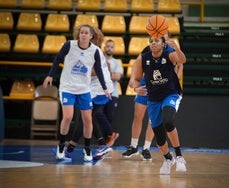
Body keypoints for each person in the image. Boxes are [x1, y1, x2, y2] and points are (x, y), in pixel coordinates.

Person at [43, 24, 110, 162]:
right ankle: (61, 146)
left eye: (86, 33)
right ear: (78, 34)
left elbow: (98, 70)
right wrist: (50, 75)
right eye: (81, 32)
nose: (83, 34)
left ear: (91, 36)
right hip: (67, 87)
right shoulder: (69, 45)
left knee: (88, 120)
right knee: (68, 117)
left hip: (84, 89)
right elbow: (57, 59)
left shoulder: (95, 51)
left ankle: (87, 149)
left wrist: (104, 88)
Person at [122, 32, 183, 161]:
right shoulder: (147, 50)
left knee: (154, 120)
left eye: (163, 35)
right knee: (138, 115)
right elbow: (134, 75)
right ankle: (133, 146)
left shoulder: (171, 50)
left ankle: (146, 148)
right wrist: (135, 86)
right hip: (147, 83)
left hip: (165, 88)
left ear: (166, 39)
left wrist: (175, 79)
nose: (155, 40)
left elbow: (180, 63)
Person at [66, 26, 115, 158]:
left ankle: (100, 145)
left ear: (91, 37)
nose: (81, 36)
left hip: (97, 90)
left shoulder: (91, 52)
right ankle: (71, 148)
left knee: (85, 119)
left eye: (84, 34)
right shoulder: (98, 52)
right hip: (103, 89)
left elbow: (93, 71)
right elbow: (107, 71)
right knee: (88, 118)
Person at [102, 39, 123, 145]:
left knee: (109, 116)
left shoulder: (117, 62)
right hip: (99, 93)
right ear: (104, 47)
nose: (109, 48)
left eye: (111, 46)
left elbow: (117, 77)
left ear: (114, 49)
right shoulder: (99, 60)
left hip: (112, 93)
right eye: (108, 46)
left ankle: (108, 140)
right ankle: (111, 135)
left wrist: (103, 75)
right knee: (99, 114)